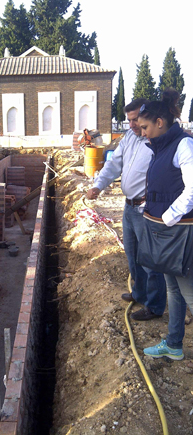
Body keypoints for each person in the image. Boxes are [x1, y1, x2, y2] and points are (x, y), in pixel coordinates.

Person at [86, 98, 166, 321]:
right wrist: (98, 185)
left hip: (146, 208)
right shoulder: (130, 137)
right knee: (132, 255)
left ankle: (155, 305)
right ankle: (139, 293)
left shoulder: (156, 141)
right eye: (129, 120)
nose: (132, 124)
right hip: (129, 207)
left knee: (150, 259)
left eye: (135, 120)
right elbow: (113, 164)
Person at [138, 88, 193, 360]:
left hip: (180, 234)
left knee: (189, 293)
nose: (143, 132)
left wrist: (170, 216)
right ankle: (173, 344)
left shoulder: (183, 145)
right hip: (166, 232)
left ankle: (174, 343)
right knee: (173, 289)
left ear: (160, 122)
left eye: (145, 126)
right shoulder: (160, 148)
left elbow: (192, 189)